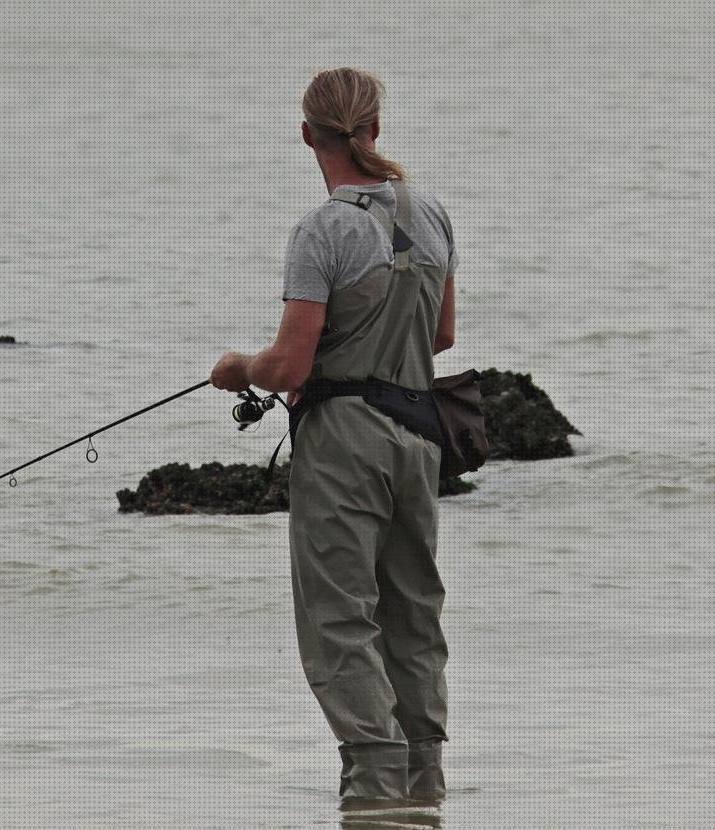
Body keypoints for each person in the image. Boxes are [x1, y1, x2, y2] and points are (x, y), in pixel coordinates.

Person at [210, 67, 457, 808]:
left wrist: (235, 369)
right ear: (374, 129)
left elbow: (289, 363)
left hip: (345, 441)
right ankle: (424, 786)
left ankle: (376, 788)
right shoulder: (433, 212)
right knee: (413, 613)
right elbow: (441, 336)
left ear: (307, 135)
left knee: (340, 619)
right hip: (419, 435)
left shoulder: (323, 230)